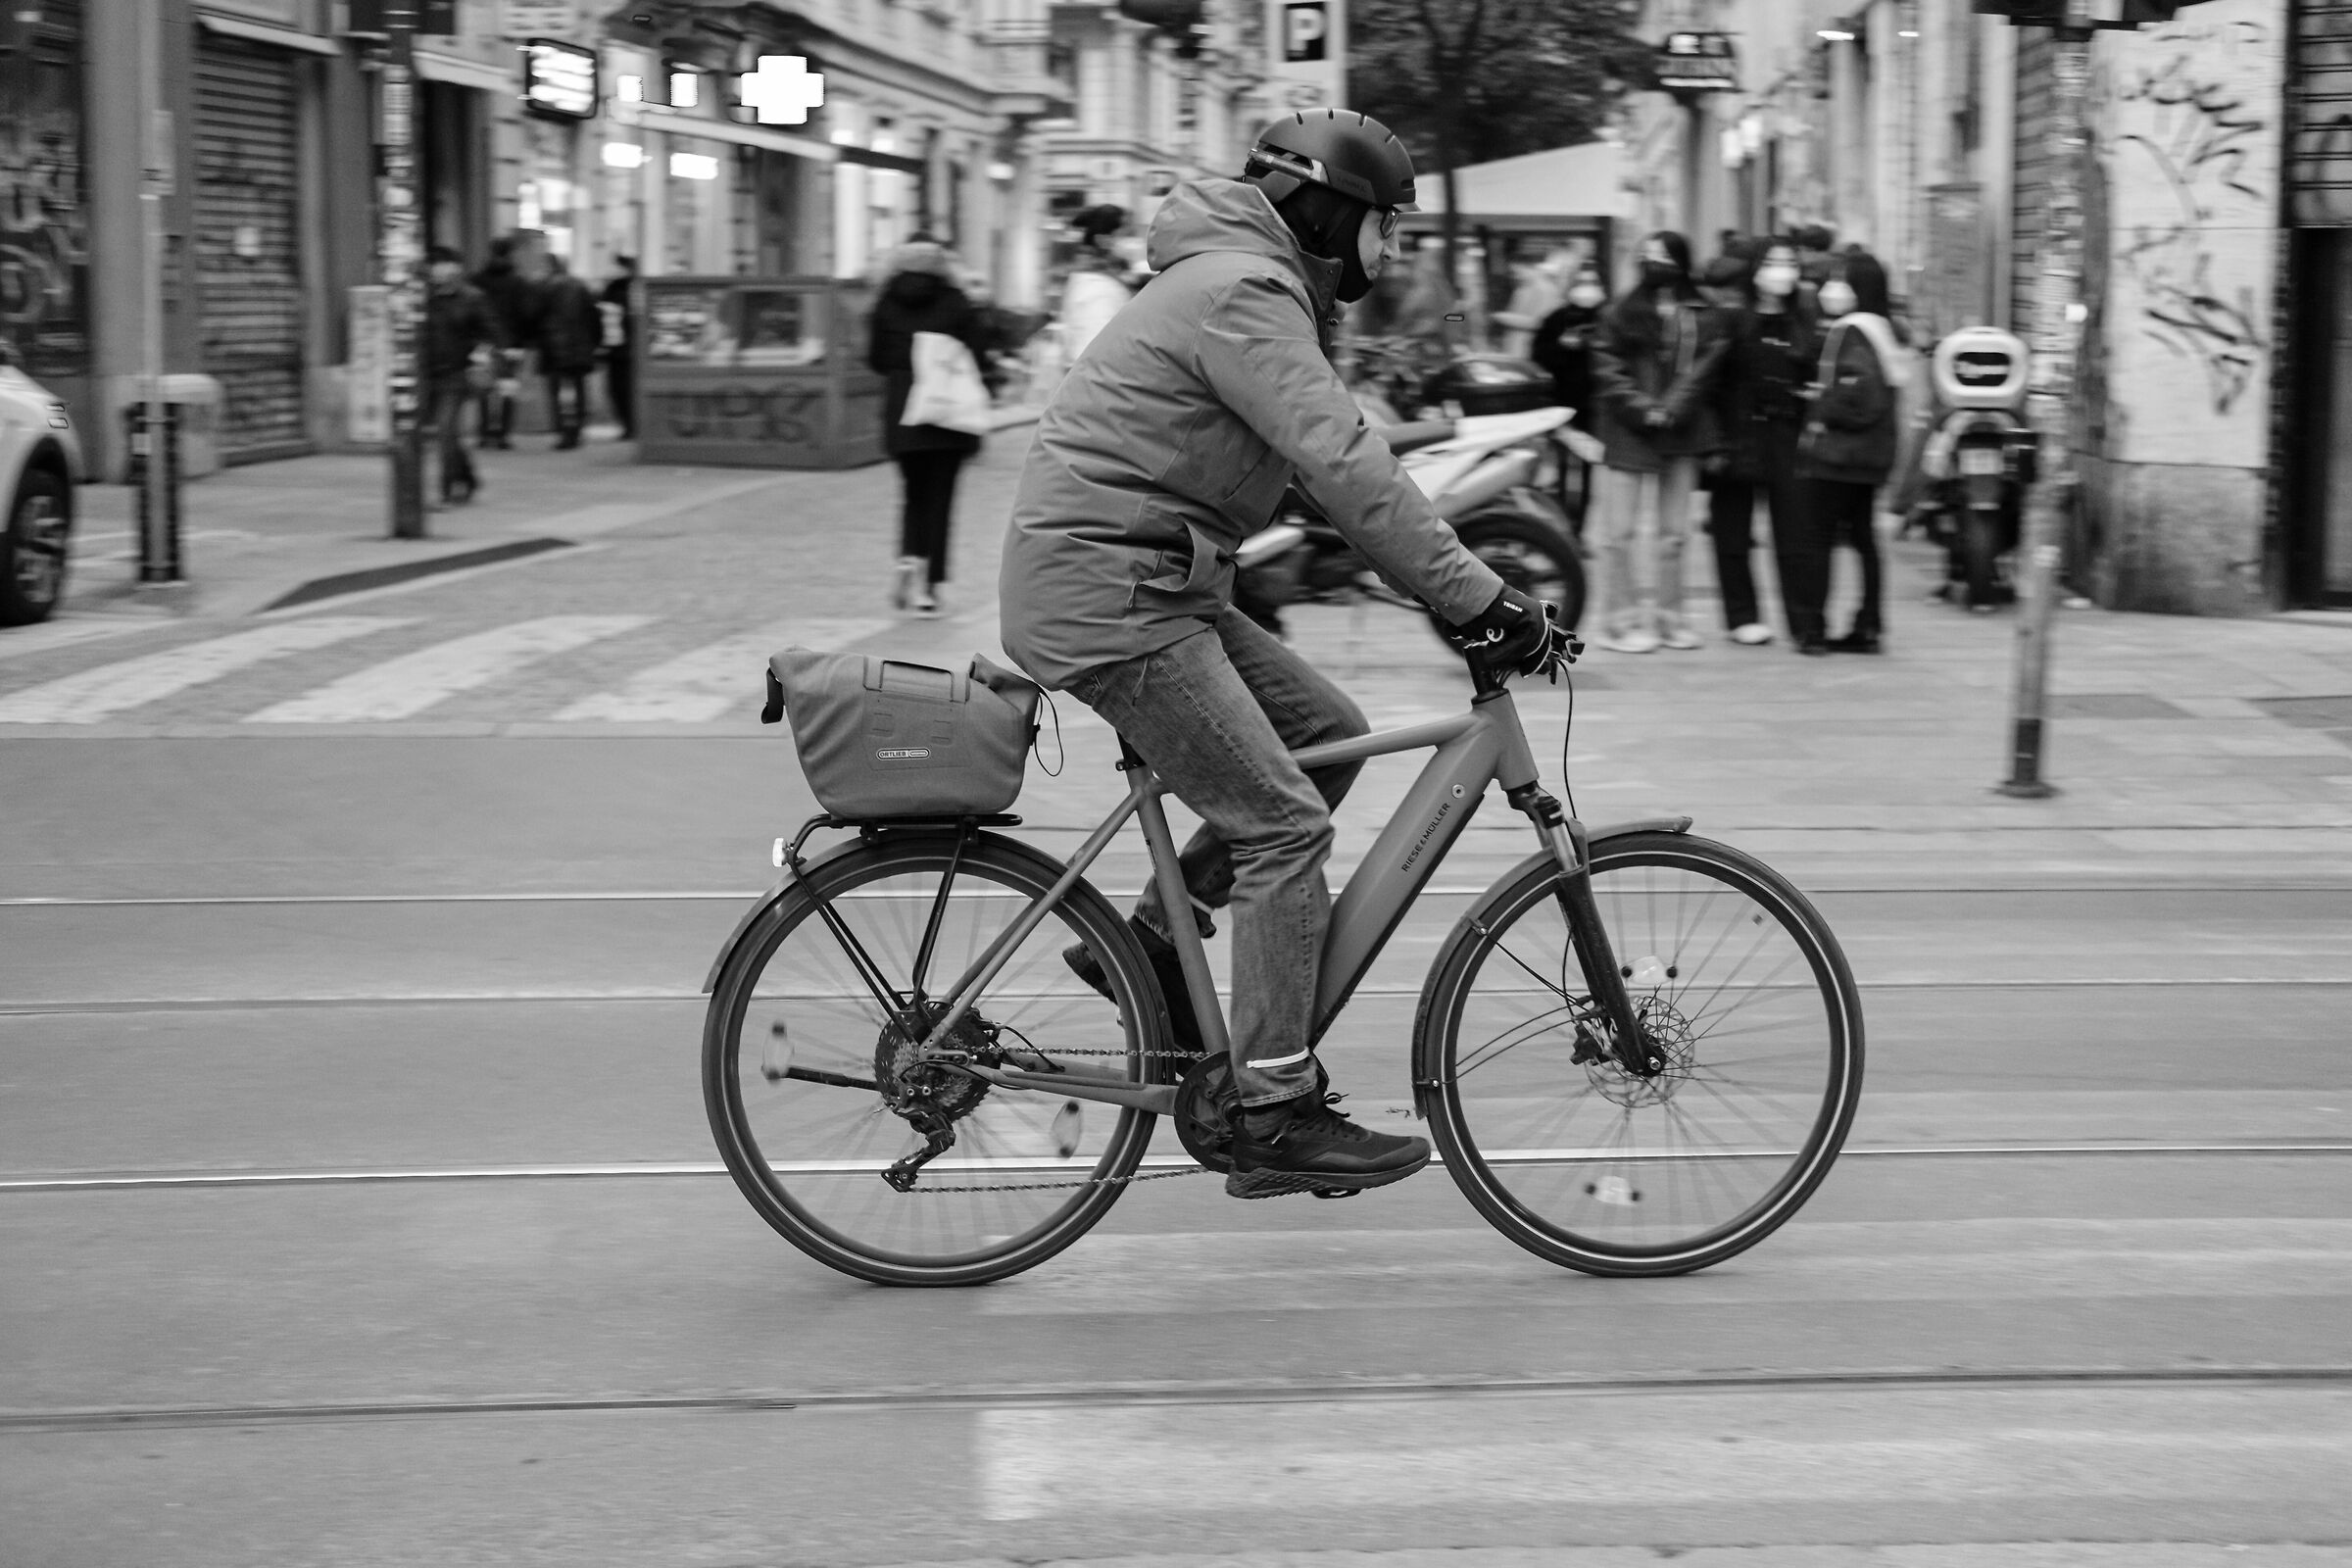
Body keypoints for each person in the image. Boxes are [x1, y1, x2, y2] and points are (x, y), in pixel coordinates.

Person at [999, 109, 1564, 1200]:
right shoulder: (1240, 292)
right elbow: (1339, 462)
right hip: (1116, 596)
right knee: (1283, 823)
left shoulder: (1245, 287)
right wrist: (1479, 596)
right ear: (1327, 212)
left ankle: (1156, 944)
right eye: (1385, 228)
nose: (1391, 252)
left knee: (1327, 738)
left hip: (1158, 578)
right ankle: (1271, 1104)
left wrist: (1427, 570)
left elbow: (1324, 464)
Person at [1588, 230, 1732, 653]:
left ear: (1682, 261)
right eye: (1647, 256)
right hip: (1628, 430)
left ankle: (1671, 619)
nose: (1654, 263)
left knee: (1674, 533)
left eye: (1664, 256)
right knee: (1617, 533)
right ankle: (1619, 621)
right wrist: (1641, 408)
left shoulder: (1705, 312)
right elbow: (1606, 364)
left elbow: (1705, 369)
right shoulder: (1620, 310)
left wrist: (1670, 408)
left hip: (1682, 431)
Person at [867, 239, 999, 616]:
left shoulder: (886, 301)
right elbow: (979, 353)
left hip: (903, 409)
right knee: (941, 499)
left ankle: (908, 556)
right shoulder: (956, 302)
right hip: (947, 411)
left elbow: (875, 358)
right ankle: (929, 588)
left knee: (912, 495)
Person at [1711, 239, 1828, 652]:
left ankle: (1805, 623)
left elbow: (1819, 370)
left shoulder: (1805, 318)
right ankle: (1742, 617)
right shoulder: (1732, 316)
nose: (1783, 271)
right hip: (1737, 433)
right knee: (1732, 531)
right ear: (1756, 269)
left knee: (1797, 531)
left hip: (1789, 434)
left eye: (1790, 263)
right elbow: (1711, 378)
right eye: (1774, 262)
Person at [1796, 248, 1907, 654]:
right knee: (1864, 540)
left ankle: (1813, 630)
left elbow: (1857, 397)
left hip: (1839, 456)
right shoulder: (1887, 329)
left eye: (1840, 278)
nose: (1832, 287)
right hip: (1873, 455)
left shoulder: (1852, 330)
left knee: (1818, 540)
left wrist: (1819, 402)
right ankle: (1869, 626)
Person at [420, 245, 498, 504]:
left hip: (458, 375)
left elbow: (491, 333)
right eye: (435, 265)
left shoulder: (472, 297)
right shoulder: (425, 298)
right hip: (429, 376)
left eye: (444, 264)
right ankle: (468, 477)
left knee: (444, 431)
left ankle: (446, 490)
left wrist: (482, 353)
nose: (439, 270)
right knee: (448, 434)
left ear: (456, 268)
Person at [469, 237, 537, 451]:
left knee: (484, 386)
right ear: (510, 254)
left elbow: (469, 310)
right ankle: (502, 435)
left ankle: (484, 433)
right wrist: (524, 339)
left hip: (483, 341)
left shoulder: (477, 279)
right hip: (511, 341)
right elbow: (527, 312)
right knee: (507, 388)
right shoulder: (518, 281)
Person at [1529, 262, 1607, 432]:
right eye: (1581, 283)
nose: (1587, 289)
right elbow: (1538, 357)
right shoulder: (1556, 319)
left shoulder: (1612, 317)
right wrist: (1562, 346)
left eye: (1592, 283)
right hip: (1567, 403)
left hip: (1606, 403)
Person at [535, 255, 603, 450]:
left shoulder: (544, 288)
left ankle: (564, 430)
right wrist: (595, 342)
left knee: (557, 391)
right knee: (577, 388)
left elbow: (534, 317)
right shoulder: (579, 286)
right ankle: (576, 428)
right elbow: (594, 316)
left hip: (553, 347)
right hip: (579, 347)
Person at [1058, 205, 1133, 365]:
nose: (1133, 243)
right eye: (1125, 235)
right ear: (1103, 240)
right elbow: (1096, 354)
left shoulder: (1097, 278)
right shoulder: (1097, 288)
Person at [600, 255, 639, 439]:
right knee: (620, 389)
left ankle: (629, 425)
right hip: (622, 349)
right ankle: (629, 425)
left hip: (621, 349)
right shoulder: (616, 289)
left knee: (620, 389)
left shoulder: (618, 290)